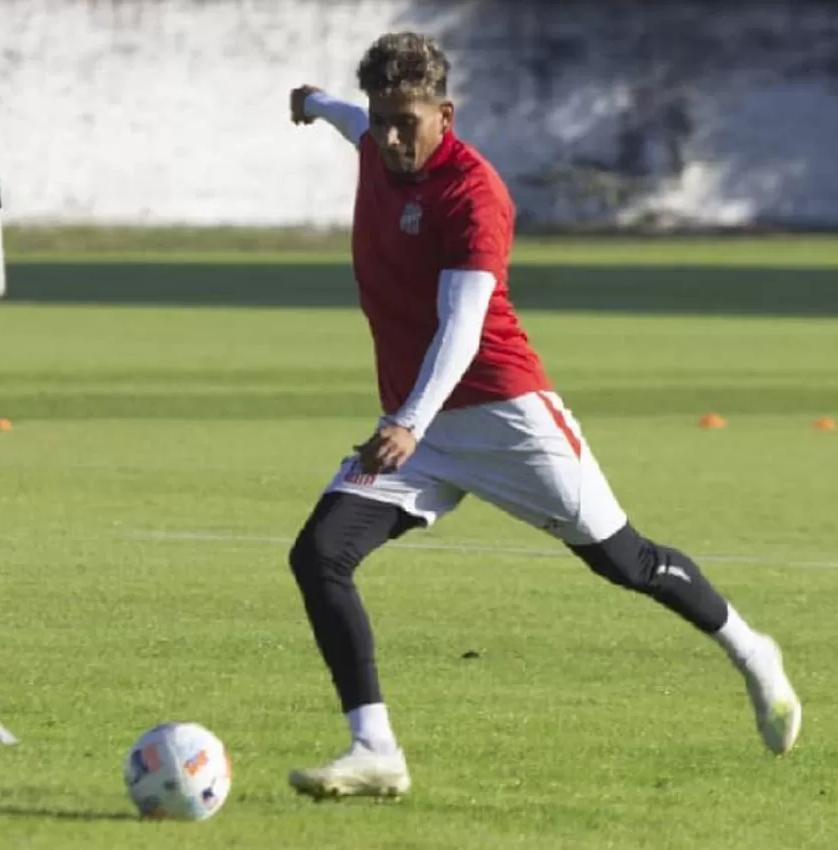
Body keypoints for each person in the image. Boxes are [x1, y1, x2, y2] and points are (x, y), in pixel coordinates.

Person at [283, 33, 800, 799]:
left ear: (446, 114)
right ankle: (376, 751)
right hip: (419, 429)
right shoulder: (375, 142)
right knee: (319, 555)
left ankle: (753, 651)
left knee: (625, 561)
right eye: (381, 119)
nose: (391, 138)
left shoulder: (474, 193)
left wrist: (412, 420)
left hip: (503, 416)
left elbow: (461, 329)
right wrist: (313, 103)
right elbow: (348, 122)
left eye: (408, 122)